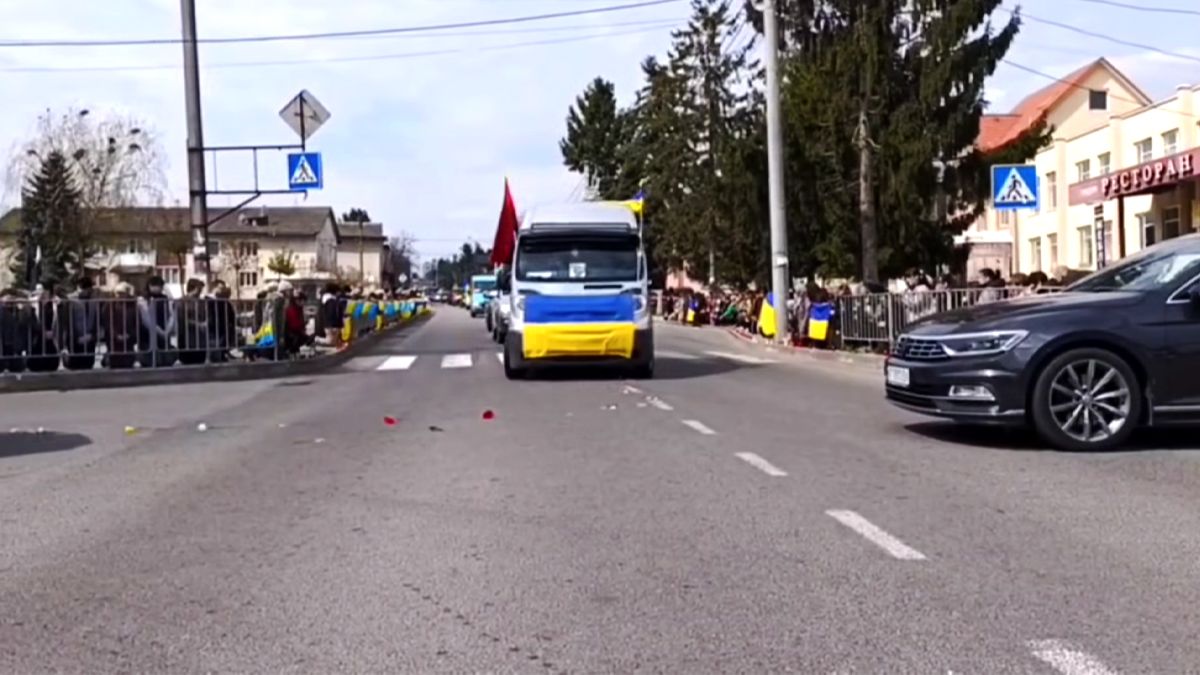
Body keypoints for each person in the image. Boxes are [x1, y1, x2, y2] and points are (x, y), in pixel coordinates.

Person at [62, 277, 100, 371]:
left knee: (87, 363)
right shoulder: (72, 301)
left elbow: (95, 318)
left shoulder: (93, 300)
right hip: (77, 337)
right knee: (77, 363)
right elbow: (69, 322)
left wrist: (91, 335)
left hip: (88, 336)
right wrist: (76, 337)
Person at [138, 276, 175, 368]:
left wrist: (167, 330)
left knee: (166, 357)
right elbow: (146, 318)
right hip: (148, 332)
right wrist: (159, 331)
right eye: (159, 286)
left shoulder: (165, 298)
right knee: (152, 356)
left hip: (163, 327)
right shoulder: (143, 299)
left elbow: (172, 310)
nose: (161, 288)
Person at [104, 282, 140, 369]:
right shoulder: (110, 305)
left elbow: (137, 321)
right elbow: (107, 322)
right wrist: (116, 335)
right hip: (114, 338)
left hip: (128, 337)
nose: (119, 295)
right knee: (115, 361)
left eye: (122, 293)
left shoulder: (133, 304)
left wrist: (130, 334)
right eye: (117, 293)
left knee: (128, 361)